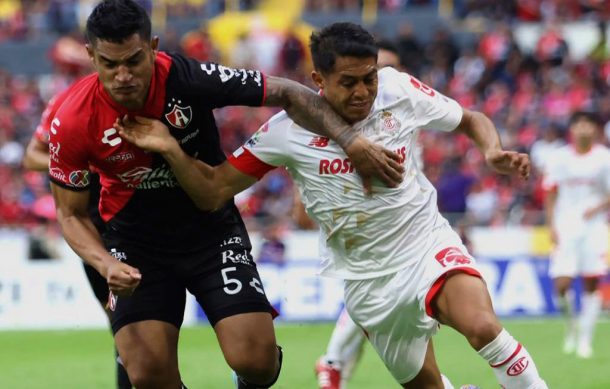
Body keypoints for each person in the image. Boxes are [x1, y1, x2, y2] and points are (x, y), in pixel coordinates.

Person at [115, 22, 548, 389]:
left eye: (369, 78)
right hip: (366, 281)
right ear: (318, 81)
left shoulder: (398, 89)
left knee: (483, 327)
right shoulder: (284, 133)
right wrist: (171, 149)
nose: (363, 92)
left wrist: (492, 150)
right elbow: (212, 191)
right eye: (349, 82)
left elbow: (471, 118)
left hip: (425, 245)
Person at [48, 2, 402, 388]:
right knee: (148, 375)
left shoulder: (188, 77)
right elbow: (70, 215)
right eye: (109, 64)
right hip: (135, 244)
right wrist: (104, 263)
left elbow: (287, 92)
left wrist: (352, 142)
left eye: (134, 60)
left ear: (152, 46)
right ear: (90, 56)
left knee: (257, 362)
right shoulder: (72, 119)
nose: (123, 75)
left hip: (210, 232)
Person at [23, 85, 132, 388]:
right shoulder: (67, 103)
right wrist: (78, 159)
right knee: (118, 322)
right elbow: (32, 156)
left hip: (137, 221)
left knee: (135, 321)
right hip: (91, 228)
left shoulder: (140, 98)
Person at [315, 38, 407, 389]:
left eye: (391, 70)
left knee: (386, 307)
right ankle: (332, 363)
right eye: (381, 70)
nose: (385, 77)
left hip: (399, 224)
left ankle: (333, 368)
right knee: (384, 299)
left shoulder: (403, 114)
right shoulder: (346, 119)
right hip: (362, 228)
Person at [543, 111, 610, 359]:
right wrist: (551, 225)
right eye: (579, 124)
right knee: (562, 285)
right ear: (572, 129)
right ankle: (570, 326)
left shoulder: (604, 158)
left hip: (594, 228)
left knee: (592, 283)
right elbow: (550, 192)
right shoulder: (559, 158)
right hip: (565, 226)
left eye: (588, 124)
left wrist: (598, 206)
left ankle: (585, 339)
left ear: (594, 129)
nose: (583, 129)